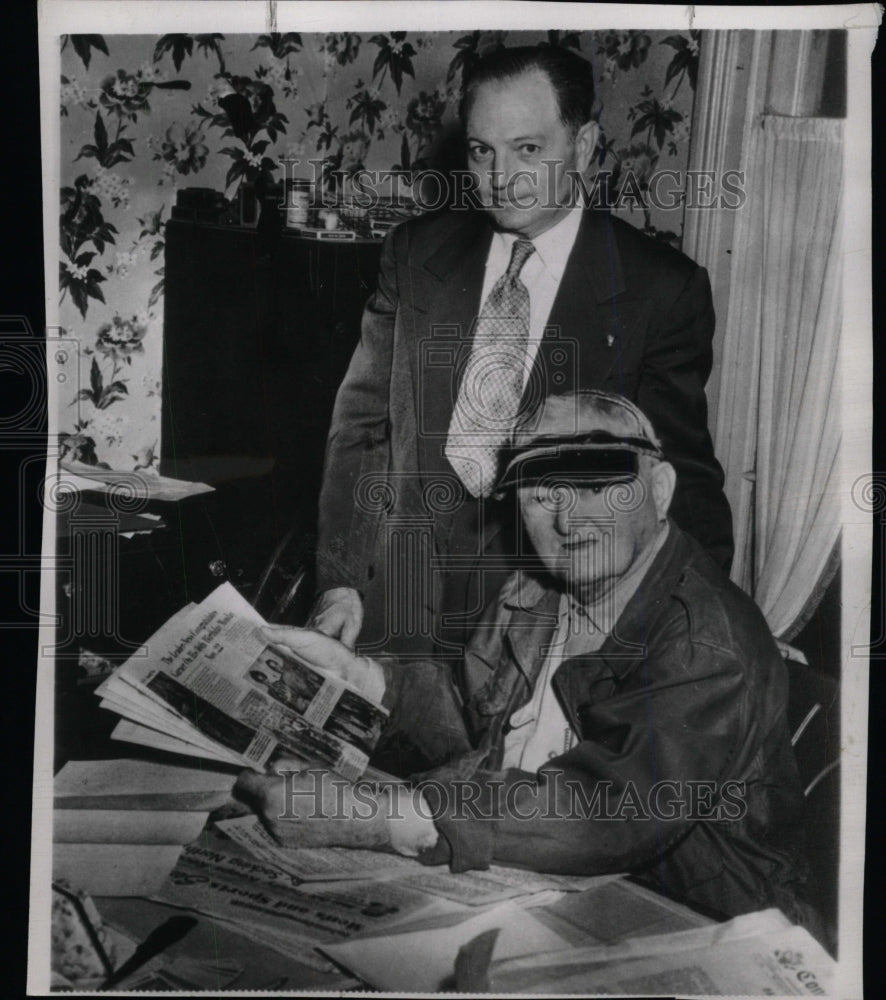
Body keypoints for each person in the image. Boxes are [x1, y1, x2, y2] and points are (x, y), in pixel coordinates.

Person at [238, 390, 805, 921]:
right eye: (542, 493)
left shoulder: (707, 640)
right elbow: (469, 719)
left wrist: (378, 816)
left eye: (598, 485)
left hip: (692, 916)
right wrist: (357, 678)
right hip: (530, 883)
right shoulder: (535, 592)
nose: (567, 519)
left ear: (658, 490)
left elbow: (609, 812)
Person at [310, 44, 734, 659]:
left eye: (528, 149)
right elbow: (361, 433)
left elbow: (681, 484)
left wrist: (705, 629)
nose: (500, 177)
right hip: (393, 615)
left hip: (544, 641)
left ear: (584, 147)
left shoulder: (660, 291)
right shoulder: (413, 255)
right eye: (483, 150)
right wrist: (342, 582)